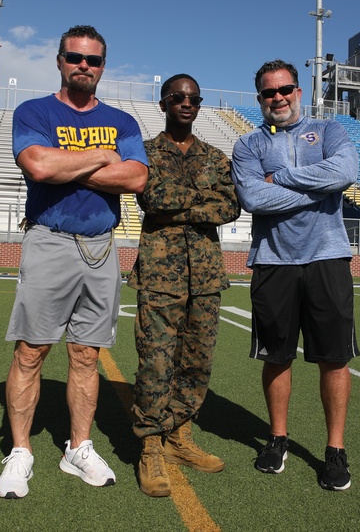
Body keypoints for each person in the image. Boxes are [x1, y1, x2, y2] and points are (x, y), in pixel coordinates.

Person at [0, 25, 149, 499]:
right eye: (75, 58)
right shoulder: (34, 110)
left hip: (102, 246)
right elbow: (39, 166)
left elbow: (138, 178)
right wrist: (102, 158)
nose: (84, 66)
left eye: (94, 60)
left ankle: (77, 447)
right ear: (60, 60)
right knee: (31, 350)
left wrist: (73, 164)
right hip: (50, 240)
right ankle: (20, 451)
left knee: (86, 354)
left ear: (104, 66)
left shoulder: (123, 121)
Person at [230, 59, 360, 491]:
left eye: (285, 89)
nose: (278, 98)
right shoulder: (247, 145)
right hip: (273, 261)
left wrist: (283, 178)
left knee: (334, 357)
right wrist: (319, 193)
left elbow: (344, 173)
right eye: (269, 92)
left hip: (327, 258)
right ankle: (277, 438)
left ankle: (335, 449)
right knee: (276, 356)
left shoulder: (330, 132)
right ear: (259, 99)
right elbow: (253, 197)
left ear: (299, 91)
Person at [127, 74, 241, 497]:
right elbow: (150, 198)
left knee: (197, 361)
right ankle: (151, 445)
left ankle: (179, 436)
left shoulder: (214, 155)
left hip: (206, 275)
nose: (186, 103)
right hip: (160, 273)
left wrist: (180, 201)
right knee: (156, 361)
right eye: (178, 97)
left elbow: (230, 205)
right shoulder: (145, 152)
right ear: (164, 104)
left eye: (193, 98)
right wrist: (200, 201)